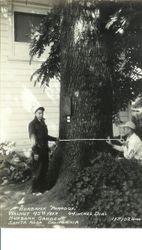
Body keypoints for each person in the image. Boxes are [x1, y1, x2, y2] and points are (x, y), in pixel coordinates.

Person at [28, 106, 57, 194]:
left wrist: (55, 139)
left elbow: (45, 137)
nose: (41, 115)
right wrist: (35, 152)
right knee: (37, 171)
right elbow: (33, 139)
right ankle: (35, 190)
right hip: (38, 151)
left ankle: (42, 189)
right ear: (35, 113)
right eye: (39, 113)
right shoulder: (32, 124)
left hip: (45, 150)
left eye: (42, 113)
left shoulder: (43, 123)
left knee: (44, 170)